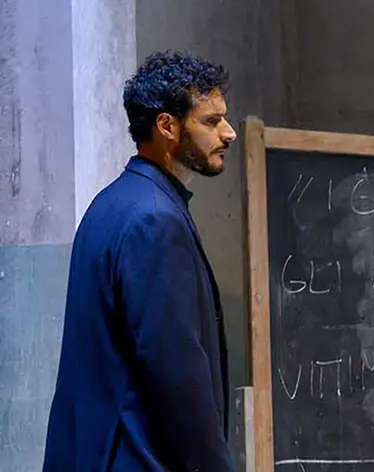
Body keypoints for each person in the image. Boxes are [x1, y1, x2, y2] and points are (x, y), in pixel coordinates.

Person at [43, 50, 237, 471]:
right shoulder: (154, 218)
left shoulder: (112, 203)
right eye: (211, 121)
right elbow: (177, 373)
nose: (229, 132)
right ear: (167, 126)